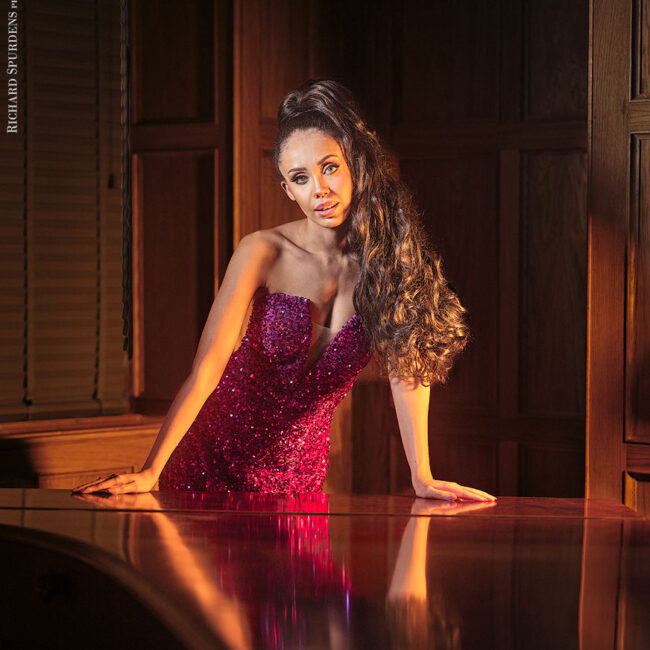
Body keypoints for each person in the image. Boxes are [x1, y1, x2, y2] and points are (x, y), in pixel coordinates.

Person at [73, 79, 495, 502]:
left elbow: (410, 368)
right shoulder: (261, 251)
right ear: (287, 190)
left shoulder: (389, 262)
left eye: (329, 167)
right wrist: (150, 470)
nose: (319, 190)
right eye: (300, 177)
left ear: (354, 166)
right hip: (209, 461)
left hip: (299, 479)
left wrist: (421, 475)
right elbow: (208, 368)